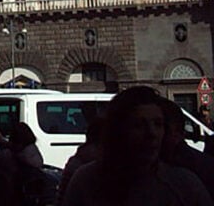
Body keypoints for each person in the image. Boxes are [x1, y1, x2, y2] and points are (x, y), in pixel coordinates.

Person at [61, 86, 213, 206]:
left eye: (158, 124)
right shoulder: (86, 181)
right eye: (139, 125)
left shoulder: (184, 185)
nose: (151, 133)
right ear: (119, 130)